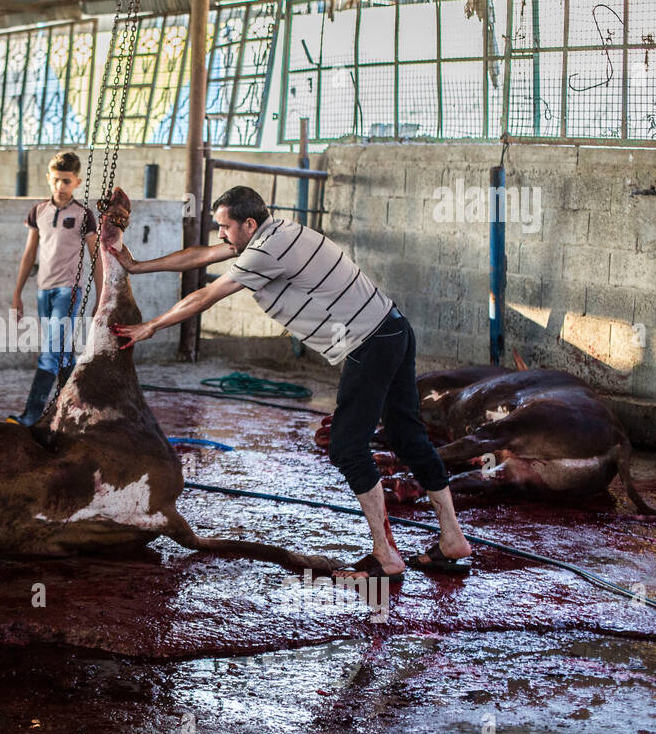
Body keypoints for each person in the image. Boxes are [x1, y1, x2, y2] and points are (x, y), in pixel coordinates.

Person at [110, 185, 474, 580]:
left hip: (369, 343)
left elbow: (207, 294)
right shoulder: (272, 234)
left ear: (249, 224)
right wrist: (138, 266)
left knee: (347, 447)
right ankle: (452, 538)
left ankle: (385, 555)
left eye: (225, 226)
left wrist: (151, 326)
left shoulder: (268, 251)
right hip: (393, 328)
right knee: (407, 437)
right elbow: (201, 255)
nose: (220, 235)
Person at [7, 151, 103, 426]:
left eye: (67, 181)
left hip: (68, 291)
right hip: (43, 291)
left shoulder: (84, 215)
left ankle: (30, 416)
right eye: (57, 180)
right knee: (62, 355)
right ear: (49, 178)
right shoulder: (38, 212)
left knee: (50, 353)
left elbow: (96, 258)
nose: (61, 186)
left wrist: (100, 295)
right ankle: (76, 412)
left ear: (77, 182)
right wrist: (16, 295)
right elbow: (29, 255)